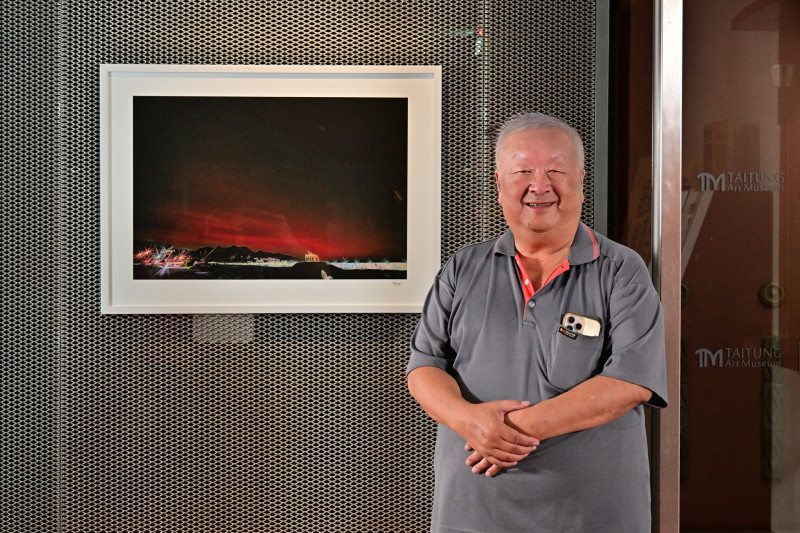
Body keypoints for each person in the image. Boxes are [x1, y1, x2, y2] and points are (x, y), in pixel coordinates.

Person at [407, 112, 668, 532]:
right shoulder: (462, 268)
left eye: (556, 170)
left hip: (590, 514)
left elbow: (631, 381)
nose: (540, 185)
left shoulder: (621, 269)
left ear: (580, 181)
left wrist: (504, 431)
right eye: (523, 170)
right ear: (498, 184)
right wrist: (467, 420)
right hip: (473, 512)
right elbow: (424, 366)